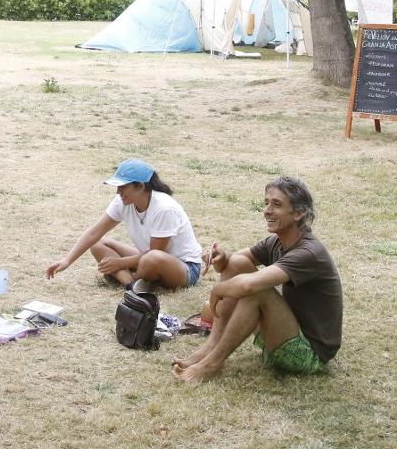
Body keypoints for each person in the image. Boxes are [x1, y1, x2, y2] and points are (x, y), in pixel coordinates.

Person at [172, 176, 342, 383]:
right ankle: (209, 348)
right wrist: (222, 257)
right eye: (267, 203)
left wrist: (218, 291)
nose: (267, 210)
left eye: (277, 204)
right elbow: (234, 264)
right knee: (238, 265)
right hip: (286, 333)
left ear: (298, 213)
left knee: (256, 291)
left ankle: (212, 364)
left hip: (309, 354)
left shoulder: (309, 252)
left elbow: (248, 284)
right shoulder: (276, 242)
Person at [46, 158, 207, 291]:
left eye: (123, 187)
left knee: (151, 259)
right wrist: (66, 261)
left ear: (141, 186)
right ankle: (132, 285)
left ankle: (132, 277)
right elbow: (95, 232)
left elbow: (155, 253)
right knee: (98, 244)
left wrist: (120, 263)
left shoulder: (165, 208)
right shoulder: (122, 202)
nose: (118, 192)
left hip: (184, 267)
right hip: (146, 257)